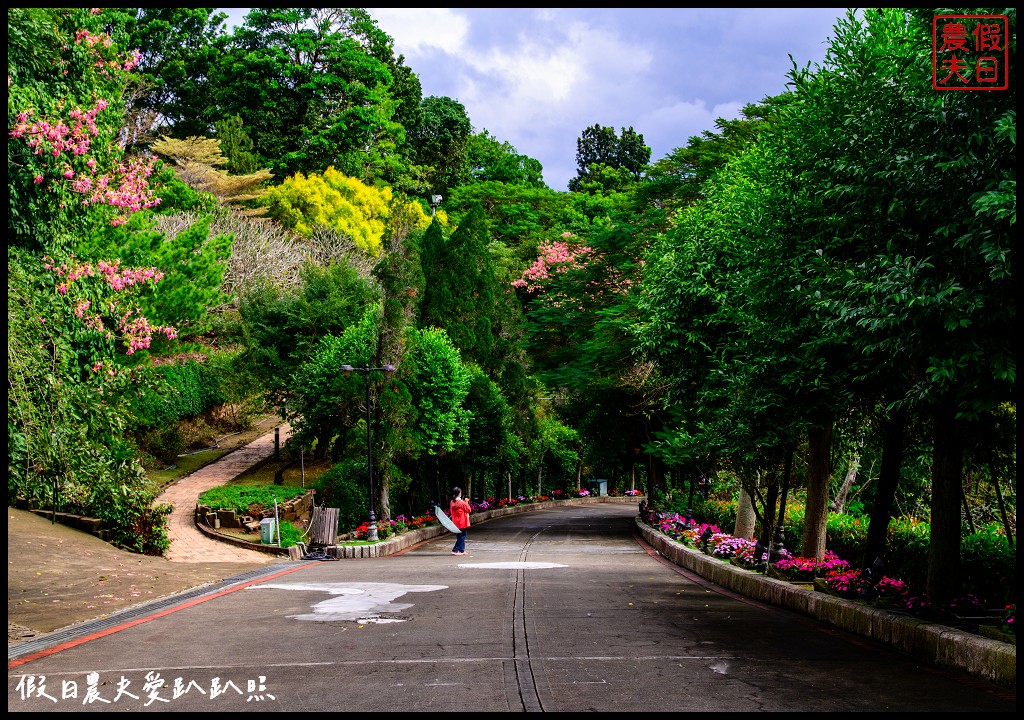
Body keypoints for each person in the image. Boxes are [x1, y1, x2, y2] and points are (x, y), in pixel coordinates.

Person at [449, 487, 472, 555]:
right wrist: (466, 502)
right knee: (462, 536)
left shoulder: (452, 502)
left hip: (455, 522)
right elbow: (469, 510)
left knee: (459, 536)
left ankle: (462, 550)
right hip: (462, 522)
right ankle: (455, 550)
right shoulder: (462, 502)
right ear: (459, 493)